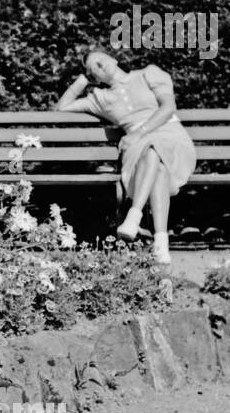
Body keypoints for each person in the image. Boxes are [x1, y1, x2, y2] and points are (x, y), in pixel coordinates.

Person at [55, 46, 197, 266]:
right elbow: (61, 108)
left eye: (102, 59)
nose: (102, 66)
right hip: (138, 148)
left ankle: (134, 215)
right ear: (95, 77)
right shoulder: (100, 98)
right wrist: (83, 79)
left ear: (113, 58)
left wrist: (140, 133)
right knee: (155, 162)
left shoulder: (147, 74)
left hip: (170, 136)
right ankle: (160, 243)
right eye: (95, 68)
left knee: (153, 147)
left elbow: (168, 107)